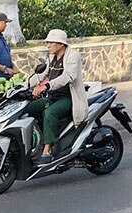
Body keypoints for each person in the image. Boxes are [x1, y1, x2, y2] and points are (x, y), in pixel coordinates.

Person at [25, 29, 87, 164]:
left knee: (49, 113)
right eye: (48, 43)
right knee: (28, 108)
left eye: (51, 42)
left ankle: (48, 149)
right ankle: (36, 141)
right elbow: (42, 75)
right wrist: (23, 85)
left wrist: (46, 86)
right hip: (53, 96)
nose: (48, 45)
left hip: (69, 98)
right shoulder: (52, 57)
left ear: (61, 44)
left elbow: (68, 76)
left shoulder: (72, 56)